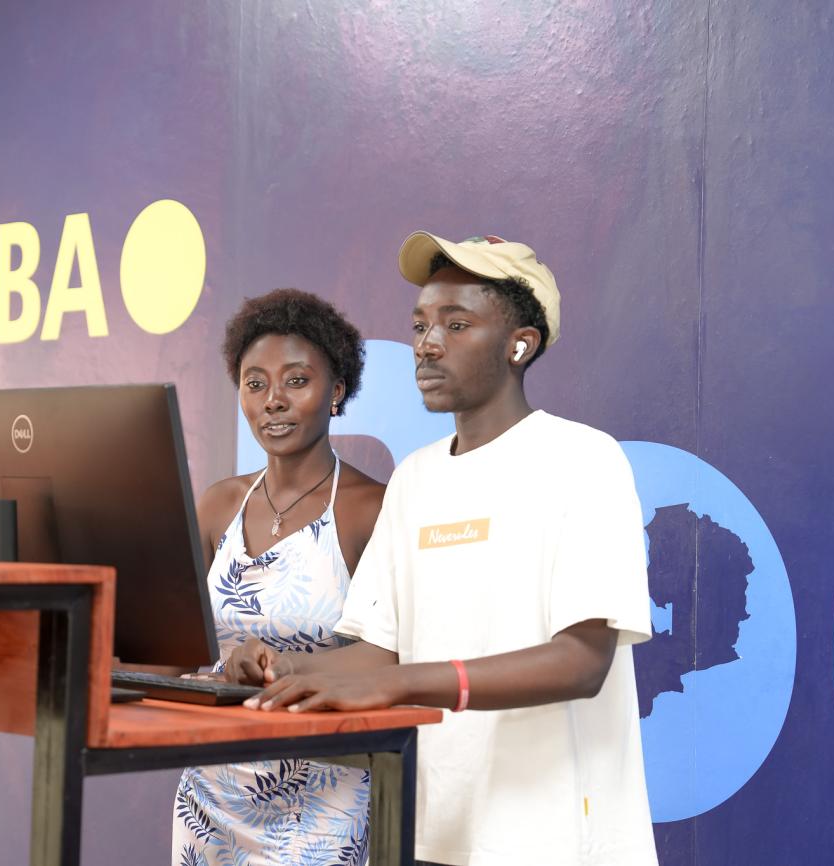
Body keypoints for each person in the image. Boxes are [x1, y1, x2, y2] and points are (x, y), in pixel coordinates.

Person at [227, 234, 659, 866]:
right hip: (433, 834)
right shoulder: (416, 479)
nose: (427, 344)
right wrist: (287, 672)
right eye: (421, 324)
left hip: (558, 841)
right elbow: (381, 651)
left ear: (520, 344)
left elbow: (581, 661)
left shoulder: (584, 460)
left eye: (457, 325)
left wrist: (403, 685)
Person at [172, 288, 387, 866]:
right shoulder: (219, 505)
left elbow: (392, 655)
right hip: (211, 798)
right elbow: (171, 649)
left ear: (336, 391)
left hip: (325, 800)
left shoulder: (371, 509)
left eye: (296, 381)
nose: (273, 401)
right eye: (255, 382)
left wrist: (282, 666)